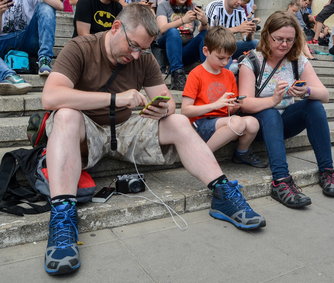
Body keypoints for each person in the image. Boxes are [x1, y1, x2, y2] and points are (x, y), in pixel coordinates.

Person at [42, 4, 265, 276]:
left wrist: (163, 108)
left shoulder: (143, 58)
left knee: (179, 120)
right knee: (65, 115)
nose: (136, 55)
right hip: (85, 129)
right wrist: (115, 99)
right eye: (133, 46)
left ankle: (222, 192)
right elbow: (50, 97)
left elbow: (170, 103)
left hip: (126, 128)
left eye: (143, 49)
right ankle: (63, 214)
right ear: (116, 28)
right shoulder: (80, 47)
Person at [238, 11, 334, 210]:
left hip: (284, 124)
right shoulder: (251, 61)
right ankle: (281, 181)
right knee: (270, 111)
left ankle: (327, 171)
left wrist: (306, 91)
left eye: (290, 40)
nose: (284, 45)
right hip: (259, 126)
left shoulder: (298, 60)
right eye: (279, 39)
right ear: (267, 35)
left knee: (315, 105)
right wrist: (273, 100)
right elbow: (245, 104)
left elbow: (325, 95)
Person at [181, 26, 267, 168]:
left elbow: (229, 110)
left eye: (229, 58)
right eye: (221, 58)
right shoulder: (196, 74)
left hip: (223, 121)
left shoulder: (228, 75)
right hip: (200, 123)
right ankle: (201, 156)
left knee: (253, 123)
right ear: (206, 51)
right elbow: (185, 111)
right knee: (238, 123)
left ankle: (241, 153)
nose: (225, 63)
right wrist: (216, 105)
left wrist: (234, 107)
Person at [0, 0, 63, 95]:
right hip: (4, 41)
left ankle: (44, 59)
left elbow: (60, 6)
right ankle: (8, 76)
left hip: (27, 38)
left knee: (46, 7)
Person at [156, 0, 208, 91]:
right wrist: (183, 20)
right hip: (169, 49)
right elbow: (162, 28)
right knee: (173, 32)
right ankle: (177, 75)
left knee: (205, 33)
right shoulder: (163, 6)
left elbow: (201, 30)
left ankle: (207, 72)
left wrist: (204, 22)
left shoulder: (193, 6)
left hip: (186, 49)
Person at [205, 0, 257, 65]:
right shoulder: (215, 6)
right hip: (215, 46)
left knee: (255, 43)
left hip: (231, 46)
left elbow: (245, 39)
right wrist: (237, 29)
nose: (240, 2)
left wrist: (250, 32)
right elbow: (211, 33)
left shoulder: (240, 11)